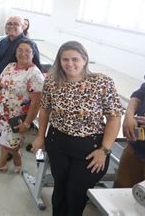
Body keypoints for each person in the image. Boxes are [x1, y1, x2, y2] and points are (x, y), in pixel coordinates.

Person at [32, 41, 122, 216]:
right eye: (65, 59)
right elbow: (44, 111)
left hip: (90, 148)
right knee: (60, 188)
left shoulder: (102, 82)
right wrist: (40, 136)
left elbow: (114, 118)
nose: (70, 64)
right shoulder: (52, 81)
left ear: (85, 60)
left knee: (76, 192)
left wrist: (104, 150)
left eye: (75, 59)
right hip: (57, 142)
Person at [0, 40, 44, 173]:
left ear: (33, 53)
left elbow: (36, 103)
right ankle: (7, 161)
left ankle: (11, 160)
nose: (23, 53)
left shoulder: (35, 74)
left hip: (18, 117)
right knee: (3, 137)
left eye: (27, 51)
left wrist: (28, 123)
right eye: (20, 50)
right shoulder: (10, 66)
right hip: (2, 112)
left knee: (12, 142)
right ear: (16, 52)